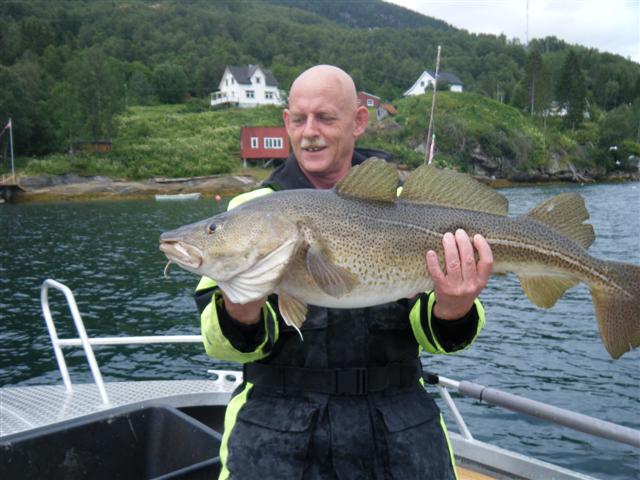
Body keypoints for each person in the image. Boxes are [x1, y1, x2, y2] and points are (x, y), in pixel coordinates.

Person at [195, 65, 493, 479]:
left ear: (359, 122)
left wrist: (454, 309)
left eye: (325, 118)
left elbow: (442, 339)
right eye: (299, 119)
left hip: (399, 431)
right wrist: (240, 310)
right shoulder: (249, 211)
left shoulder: (411, 208)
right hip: (275, 433)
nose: (309, 132)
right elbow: (220, 344)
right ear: (286, 121)